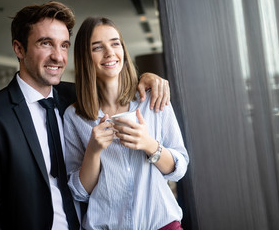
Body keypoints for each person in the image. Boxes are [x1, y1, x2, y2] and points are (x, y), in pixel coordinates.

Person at [0, 2, 170, 230]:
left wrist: (151, 79)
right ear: (19, 49)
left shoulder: (77, 99)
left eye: (64, 46)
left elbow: (118, 85)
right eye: (45, 43)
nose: (58, 56)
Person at [64, 17, 189, 230]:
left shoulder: (153, 100)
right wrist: (93, 152)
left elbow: (179, 169)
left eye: (115, 43)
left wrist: (149, 145)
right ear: (85, 57)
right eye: (97, 47)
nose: (110, 52)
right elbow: (80, 193)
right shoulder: (74, 116)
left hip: (162, 225)